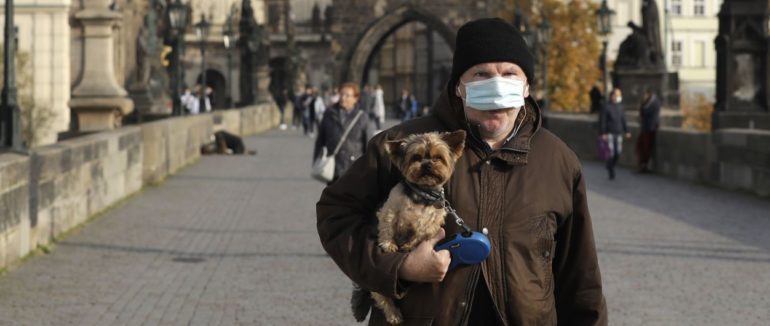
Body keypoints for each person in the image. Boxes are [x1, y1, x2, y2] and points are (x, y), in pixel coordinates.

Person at [317, 18, 607, 325]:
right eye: (481, 74)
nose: (496, 84)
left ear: (526, 87)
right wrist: (399, 266)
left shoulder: (558, 161)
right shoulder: (401, 146)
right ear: (459, 86)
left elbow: (580, 279)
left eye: (509, 73)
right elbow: (335, 214)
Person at [313, 82, 374, 184]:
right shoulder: (329, 114)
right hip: (333, 168)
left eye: (347, 95)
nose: (343, 98)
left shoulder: (362, 117)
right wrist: (317, 161)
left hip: (354, 169)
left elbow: (369, 146)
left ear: (355, 98)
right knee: (333, 199)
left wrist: (370, 169)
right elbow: (320, 140)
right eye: (341, 94)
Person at [599, 88, 632, 180]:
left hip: (618, 132)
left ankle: (610, 165)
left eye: (619, 95)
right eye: (617, 95)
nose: (618, 97)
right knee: (611, 153)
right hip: (609, 133)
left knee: (618, 152)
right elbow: (603, 121)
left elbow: (623, 120)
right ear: (612, 96)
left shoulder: (620, 106)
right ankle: (611, 170)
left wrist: (627, 131)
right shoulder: (606, 106)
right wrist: (603, 133)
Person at [636, 88, 661, 173]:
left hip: (650, 128)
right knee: (640, 146)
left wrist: (642, 105)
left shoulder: (655, 102)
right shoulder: (648, 102)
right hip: (645, 127)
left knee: (646, 147)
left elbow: (647, 113)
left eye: (645, 94)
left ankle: (644, 165)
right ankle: (642, 165)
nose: (644, 96)